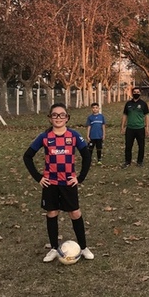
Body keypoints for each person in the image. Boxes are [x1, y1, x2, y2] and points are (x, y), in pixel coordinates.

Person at [23, 103, 94, 262]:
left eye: (62, 115)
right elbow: (27, 156)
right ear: (50, 118)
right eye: (55, 115)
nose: (58, 118)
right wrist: (39, 177)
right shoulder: (44, 137)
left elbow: (87, 156)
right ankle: (54, 248)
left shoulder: (74, 135)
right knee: (52, 213)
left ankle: (83, 247)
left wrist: (80, 177)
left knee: (75, 213)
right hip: (51, 183)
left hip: (68, 183)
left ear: (67, 118)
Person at [121, 86, 149, 168]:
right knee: (128, 146)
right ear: (132, 93)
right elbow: (124, 115)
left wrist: (147, 127)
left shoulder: (143, 104)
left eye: (138, 92)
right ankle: (127, 161)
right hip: (130, 128)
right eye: (134, 92)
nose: (136, 94)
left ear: (140, 93)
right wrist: (122, 126)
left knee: (141, 146)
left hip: (140, 128)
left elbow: (147, 116)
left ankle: (140, 161)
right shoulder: (128, 104)